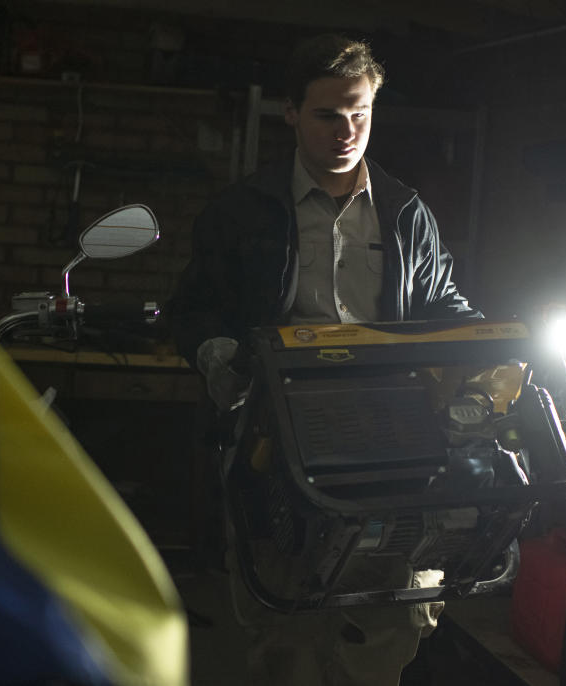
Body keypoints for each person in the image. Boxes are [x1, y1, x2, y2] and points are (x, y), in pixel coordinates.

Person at [169, 33, 481, 686]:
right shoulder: (243, 212)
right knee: (281, 624)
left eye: (359, 113)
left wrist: (482, 345)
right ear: (291, 114)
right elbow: (194, 309)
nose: (347, 130)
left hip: (387, 444)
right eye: (327, 115)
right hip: (277, 444)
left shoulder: (403, 213)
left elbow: (443, 304)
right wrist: (217, 354)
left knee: (390, 618)